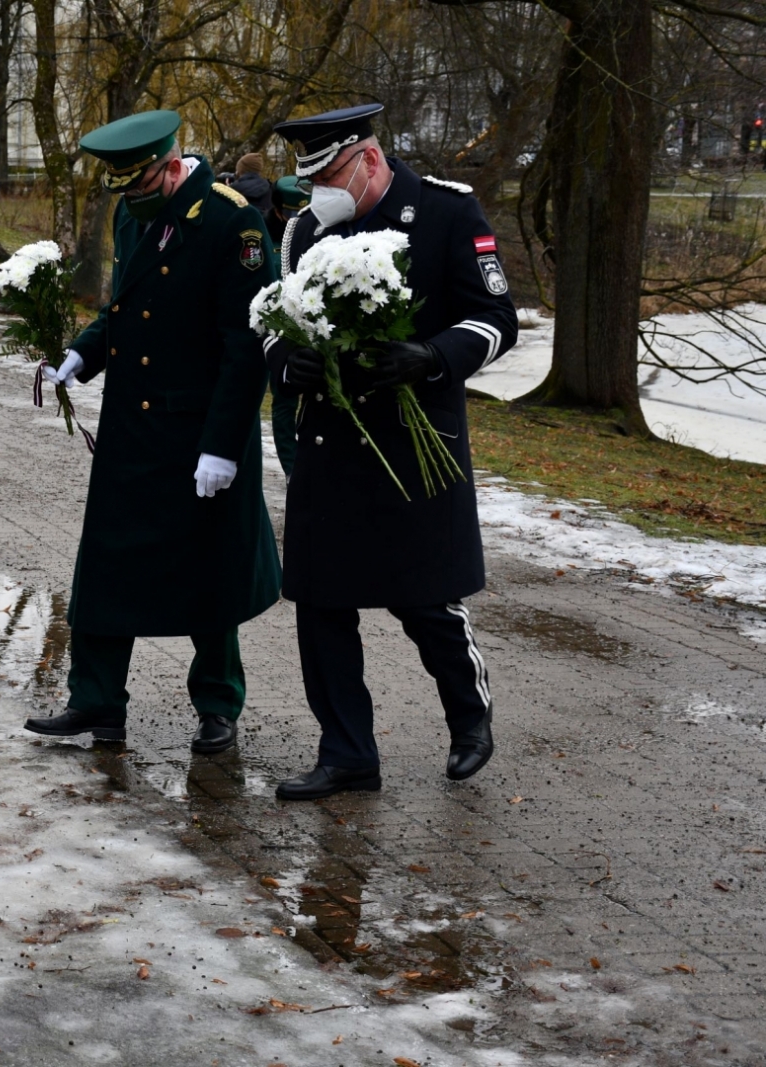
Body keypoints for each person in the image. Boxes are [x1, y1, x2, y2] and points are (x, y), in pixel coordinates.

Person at [265, 103, 518, 800]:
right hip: (329, 442)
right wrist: (290, 364)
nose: (322, 190)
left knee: (425, 599)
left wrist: (431, 355)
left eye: (333, 172)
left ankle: (469, 718)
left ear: (370, 159)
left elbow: (497, 319)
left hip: (413, 442)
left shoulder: (446, 212)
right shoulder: (306, 229)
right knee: (321, 605)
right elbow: (271, 318)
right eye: (311, 176)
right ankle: (347, 751)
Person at [22, 109, 282, 756]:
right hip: (133, 427)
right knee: (107, 565)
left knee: (209, 572)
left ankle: (218, 705)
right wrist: (84, 354)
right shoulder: (131, 211)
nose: (129, 202)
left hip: (200, 432)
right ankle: (97, 701)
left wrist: (224, 446)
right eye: (122, 192)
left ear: (170, 168)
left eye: (137, 187)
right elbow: (123, 307)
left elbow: (245, 346)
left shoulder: (232, 222)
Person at [266, 174, 311, 479]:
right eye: (292, 213)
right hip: (272, 327)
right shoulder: (262, 235)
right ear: (280, 211)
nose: (298, 219)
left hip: (308, 323)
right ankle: (292, 469)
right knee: (282, 402)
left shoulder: (312, 230)